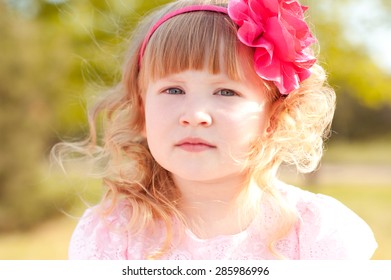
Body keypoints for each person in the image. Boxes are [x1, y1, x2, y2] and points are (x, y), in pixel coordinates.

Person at [54, 0, 377, 259]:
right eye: (173, 90)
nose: (194, 115)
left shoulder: (316, 235)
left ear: (275, 116)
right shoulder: (114, 235)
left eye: (225, 92)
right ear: (142, 108)